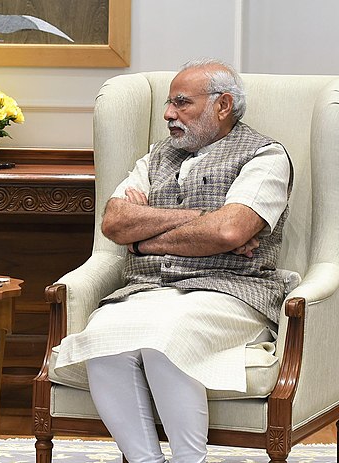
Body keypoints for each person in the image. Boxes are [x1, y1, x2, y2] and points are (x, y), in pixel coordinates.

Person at [54, 58, 293, 463]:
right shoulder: (154, 158)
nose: (168, 114)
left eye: (182, 103)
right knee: (101, 340)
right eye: (168, 103)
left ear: (222, 105)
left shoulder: (265, 157)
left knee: (165, 339)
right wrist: (203, 220)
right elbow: (114, 222)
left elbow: (230, 231)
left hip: (230, 290)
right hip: (147, 289)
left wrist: (145, 239)